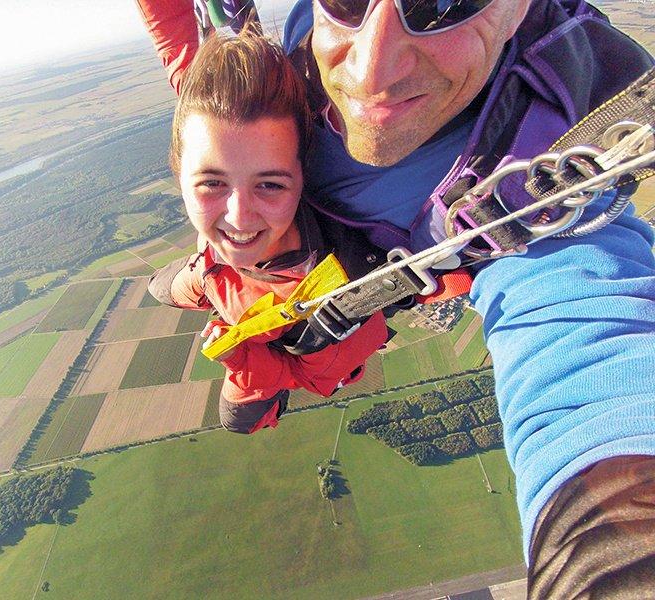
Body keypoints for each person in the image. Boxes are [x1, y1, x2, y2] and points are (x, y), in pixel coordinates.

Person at [137, 0, 655, 592]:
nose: (370, 69)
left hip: (294, 332)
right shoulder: (276, 88)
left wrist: (611, 560)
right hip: (233, 276)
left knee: (242, 397)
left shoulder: (534, 192)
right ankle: (191, 282)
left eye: (442, 4)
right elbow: (185, 49)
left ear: (518, 10)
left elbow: (585, 346)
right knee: (190, 278)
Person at [139, 22, 388, 435]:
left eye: (269, 185)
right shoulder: (208, 121)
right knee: (158, 288)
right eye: (212, 183)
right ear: (178, 175)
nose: (238, 217)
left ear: (301, 179)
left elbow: (306, 375)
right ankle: (201, 278)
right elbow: (173, 46)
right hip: (212, 271)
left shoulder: (337, 304)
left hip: (258, 333)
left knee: (238, 421)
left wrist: (239, 359)